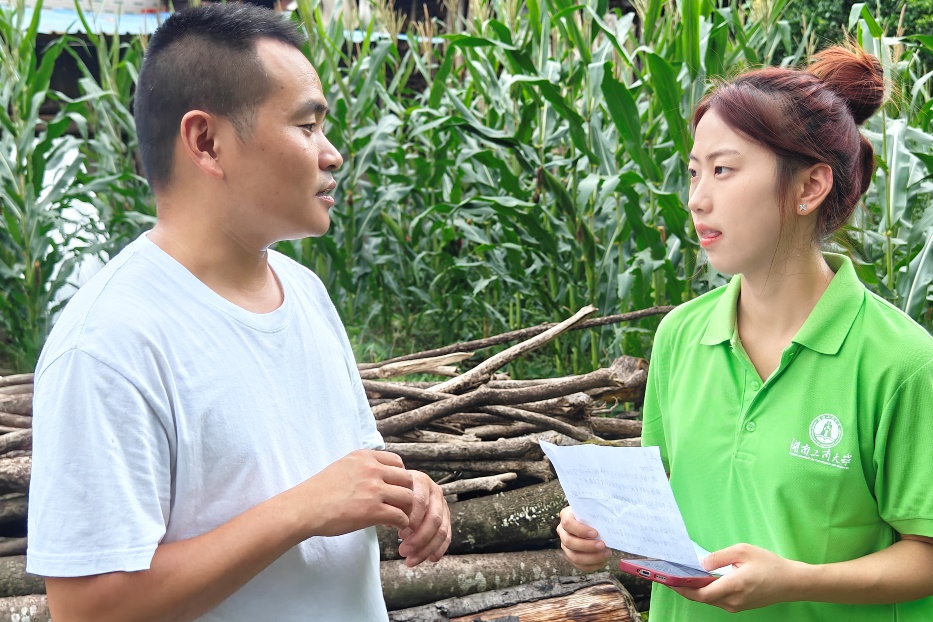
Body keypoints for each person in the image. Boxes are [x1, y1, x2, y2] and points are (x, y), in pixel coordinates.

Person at [25, 4, 450, 621]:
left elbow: (350, 477)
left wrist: (412, 494)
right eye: (306, 126)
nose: (332, 154)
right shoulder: (110, 342)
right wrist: (301, 511)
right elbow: (86, 608)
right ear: (207, 142)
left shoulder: (305, 293)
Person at [557, 44, 933, 620]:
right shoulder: (679, 336)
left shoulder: (901, 363)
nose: (696, 199)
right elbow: (668, 506)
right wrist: (603, 530)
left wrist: (797, 581)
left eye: (723, 170)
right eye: (694, 172)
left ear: (809, 188)